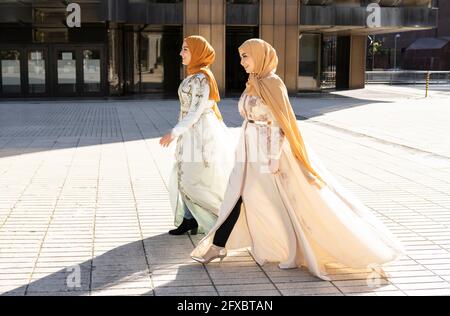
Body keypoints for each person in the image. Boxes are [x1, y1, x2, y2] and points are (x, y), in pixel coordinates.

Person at [190, 38, 404, 280]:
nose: (241, 62)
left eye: (245, 56)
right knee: (236, 195)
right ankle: (220, 246)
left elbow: (281, 124)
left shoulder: (272, 83)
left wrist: (273, 158)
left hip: (267, 152)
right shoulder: (254, 82)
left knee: (277, 200)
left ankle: (289, 247)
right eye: (241, 56)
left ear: (260, 56)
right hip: (247, 150)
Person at [160, 35, 234, 236]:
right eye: (182, 49)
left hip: (201, 134)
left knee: (194, 177)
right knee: (184, 173)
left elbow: (195, 111)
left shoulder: (202, 78)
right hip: (189, 132)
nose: (181, 53)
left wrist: (173, 132)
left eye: (186, 49)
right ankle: (189, 220)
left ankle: (219, 221)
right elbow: (186, 111)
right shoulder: (193, 76)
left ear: (198, 52)